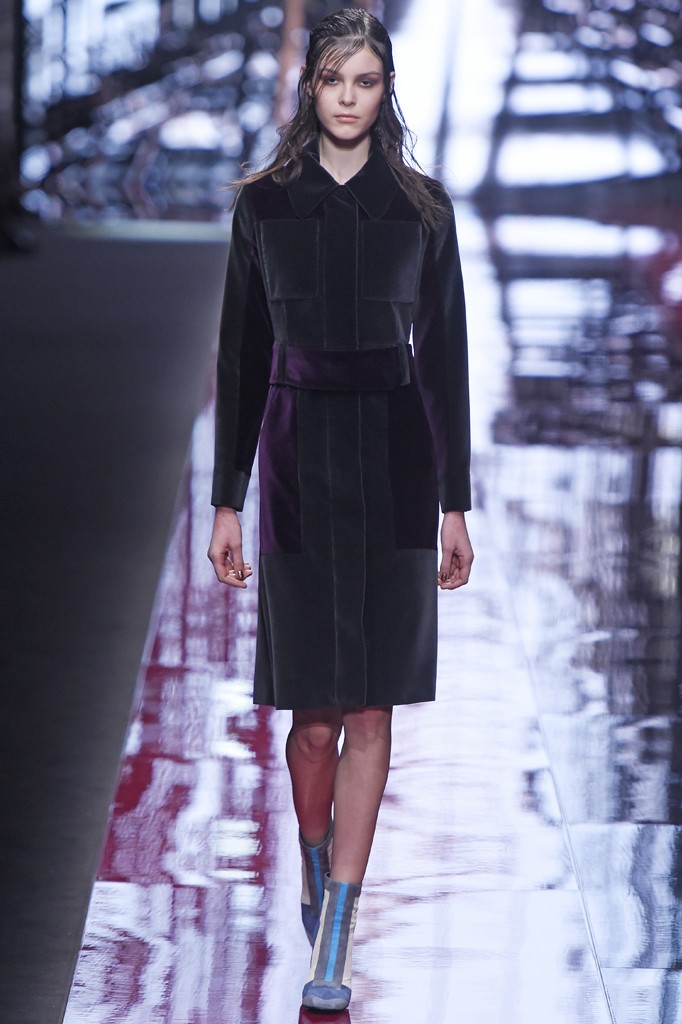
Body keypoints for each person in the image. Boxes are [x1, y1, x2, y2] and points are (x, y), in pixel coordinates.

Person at [207, 7, 473, 1012]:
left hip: (399, 460)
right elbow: (240, 358)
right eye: (333, 80)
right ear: (310, 88)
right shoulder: (264, 207)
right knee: (312, 718)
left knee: (371, 707)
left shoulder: (423, 211)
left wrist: (455, 503)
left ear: (384, 88)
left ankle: (338, 930)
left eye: (365, 80)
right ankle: (314, 857)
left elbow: (444, 361)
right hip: (297, 464)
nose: (349, 97)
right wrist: (225, 501)